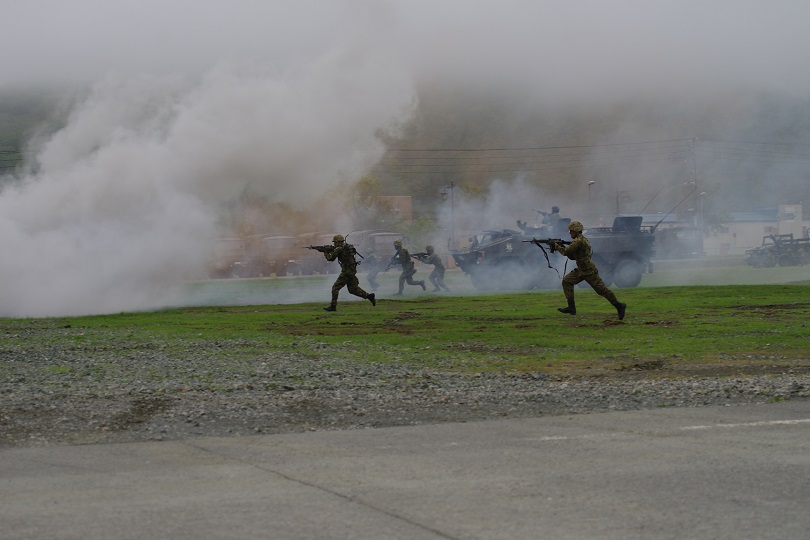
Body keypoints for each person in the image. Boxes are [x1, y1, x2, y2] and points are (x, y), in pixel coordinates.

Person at [551, 221, 626, 320]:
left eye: (571, 231)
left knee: (602, 290)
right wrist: (561, 246)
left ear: (576, 231)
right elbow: (572, 256)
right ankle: (571, 307)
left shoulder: (578, 241)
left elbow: (565, 252)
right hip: (581, 270)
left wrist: (556, 246)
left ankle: (619, 306)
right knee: (567, 281)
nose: (570, 233)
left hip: (589, 271)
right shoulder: (579, 240)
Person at [321, 234, 376, 312]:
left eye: (335, 242)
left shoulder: (339, 249)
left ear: (339, 242)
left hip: (346, 272)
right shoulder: (347, 247)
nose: (334, 244)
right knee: (353, 289)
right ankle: (369, 296)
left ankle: (333, 306)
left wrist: (325, 252)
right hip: (351, 271)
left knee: (335, 288)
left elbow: (330, 258)